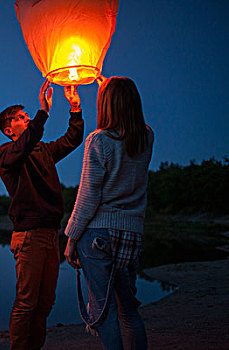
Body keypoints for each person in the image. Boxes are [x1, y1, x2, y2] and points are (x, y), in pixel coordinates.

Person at [64, 76, 154, 350]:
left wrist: (71, 237)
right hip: (132, 232)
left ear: (106, 104)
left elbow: (89, 196)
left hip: (98, 234)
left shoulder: (98, 140)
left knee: (104, 313)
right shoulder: (147, 136)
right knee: (129, 309)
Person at [0, 79, 84, 350]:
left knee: (46, 302)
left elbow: (72, 140)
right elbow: (23, 146)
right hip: (29, 236)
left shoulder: (43, 150)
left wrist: (75, 110)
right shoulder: (6, 153)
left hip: (50, 235)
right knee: (26, 301)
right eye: (22, 118)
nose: (28, 118)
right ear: (10, 130)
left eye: (28, 116)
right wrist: (43, 112)